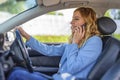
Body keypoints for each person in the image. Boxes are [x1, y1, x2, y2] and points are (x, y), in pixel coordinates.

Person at [7, 7, 102, 80]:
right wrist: (25, 35)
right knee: (17, 70)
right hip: (58, 77)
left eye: (76, 19)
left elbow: (72, 67)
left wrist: (74, 43)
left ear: (87, 23)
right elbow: (49, 50)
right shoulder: (77, 41)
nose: (71, 22)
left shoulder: (94, 42)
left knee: (16, 74)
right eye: (72, 19)